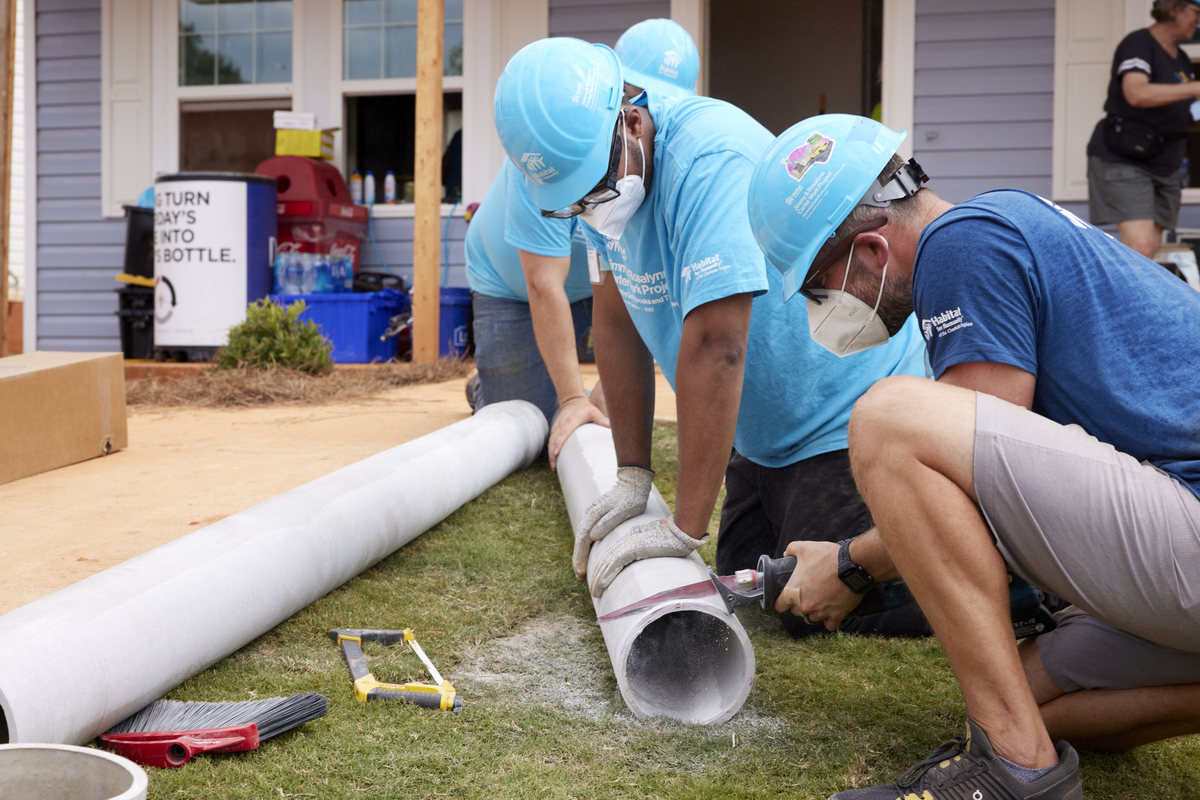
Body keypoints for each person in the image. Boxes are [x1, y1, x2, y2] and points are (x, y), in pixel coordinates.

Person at [748, 113, 1200, 799]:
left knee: (891, 421)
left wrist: (848, 566)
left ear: (870, 249)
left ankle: (1016, 771)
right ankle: (1025, 741)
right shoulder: (1002, 224)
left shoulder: (962, 245)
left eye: (817, 289)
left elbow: (972, 483)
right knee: (1023, 698)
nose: (822, 312)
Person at [492, 36, 929, 638]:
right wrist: (632, 474)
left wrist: (682, 528)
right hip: (762, 441)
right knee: (741, 588)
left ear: (632, 117)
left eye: (594, 186)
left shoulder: (709, 157)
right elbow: (617, 322)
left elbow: (717, 347)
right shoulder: (603, 181)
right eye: (577, 200)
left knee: (819, 607)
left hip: (841, 419)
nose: (592, 206)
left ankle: (1015, 585)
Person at [464, 157, 608, 469]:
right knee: (522, 418)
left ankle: (545, 380)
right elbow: (543, 285)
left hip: (596, 287)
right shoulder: (536, 159)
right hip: (509, 285)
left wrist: (608, 393)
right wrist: (572, 400)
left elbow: (648, 291)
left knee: (612, 405)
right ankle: (484, 386)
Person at [1087, 0, 1200, 259]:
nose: (1198, 21)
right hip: (1126, 158)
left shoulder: (1181, 58)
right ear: (1175, 8)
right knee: (1139, 248)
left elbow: (1184, 115)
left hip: (1166, 163)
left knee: (1148, 251)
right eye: (1196, 13)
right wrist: (1194, 88)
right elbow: (1136, 93)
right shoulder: (1139, 43)